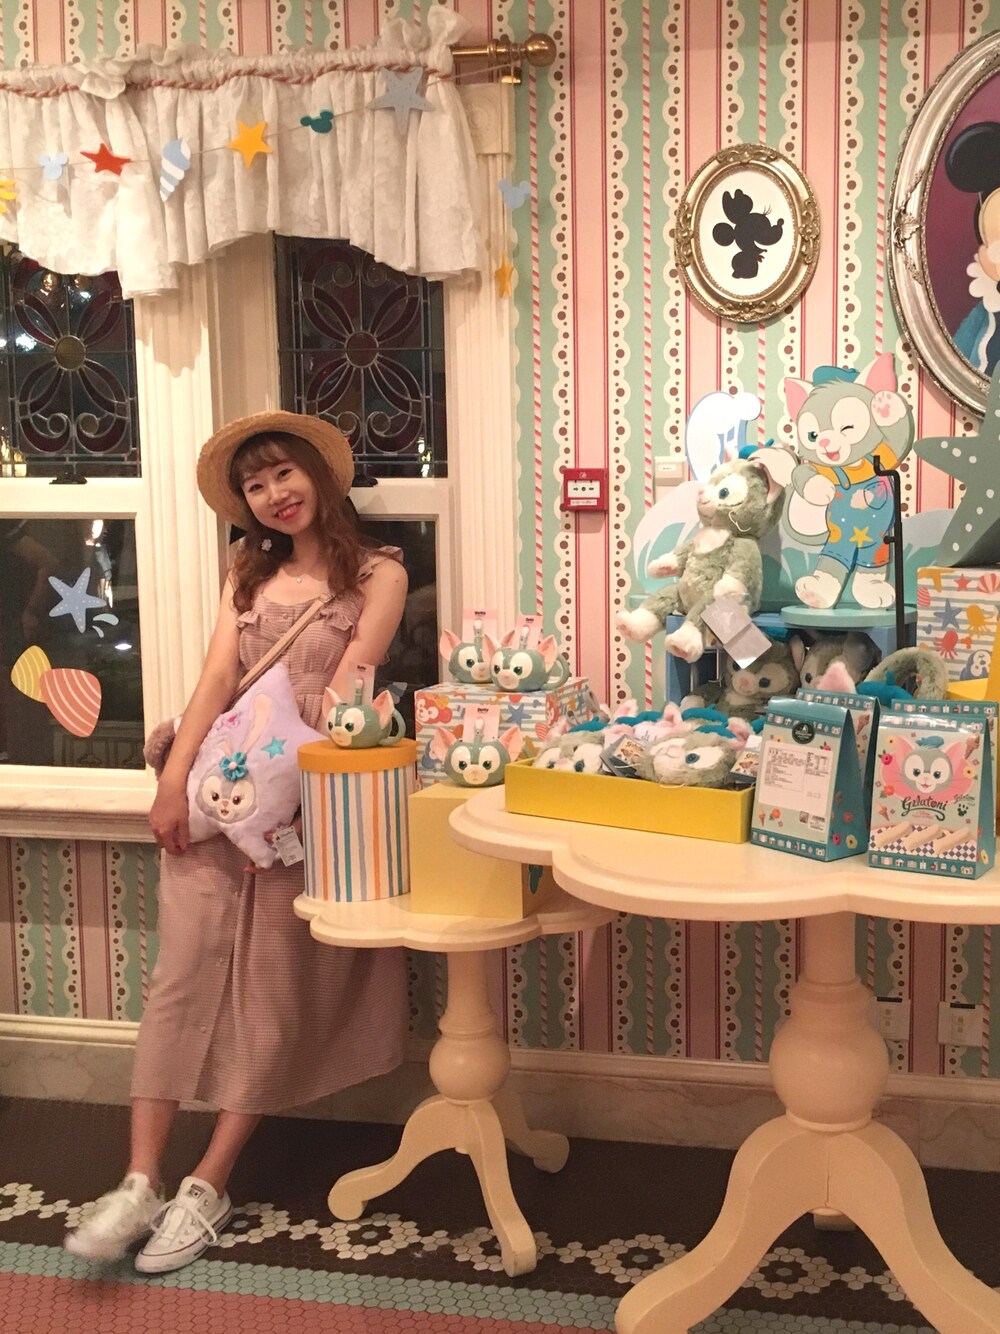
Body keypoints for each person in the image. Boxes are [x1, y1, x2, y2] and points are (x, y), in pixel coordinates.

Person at [64, 410, 409, 1274]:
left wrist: (299, 776)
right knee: (179, 980)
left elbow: (350, 688)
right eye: (255, 485)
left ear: (319, 475)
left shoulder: (379, 574)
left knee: (271, 992)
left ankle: (206, 1184)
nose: (274, 494)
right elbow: (217, 678)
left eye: (284, 473)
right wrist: (173, 782)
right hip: (217, 792)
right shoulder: (246, 574)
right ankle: (139, 1179)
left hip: (303, 807)